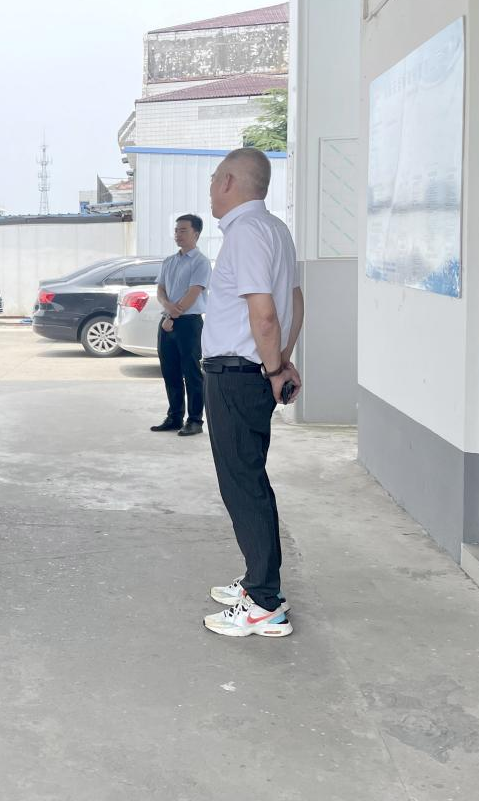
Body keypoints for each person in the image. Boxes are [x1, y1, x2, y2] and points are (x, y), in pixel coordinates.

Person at [200, 147, 303, 639]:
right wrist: (280, 362)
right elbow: (296, 302)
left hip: (236, 376)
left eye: (214, 179)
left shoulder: (245, 233)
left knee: (242, 484)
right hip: (252, 372)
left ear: (229, 182)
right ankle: (257, 582)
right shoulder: (275, 229)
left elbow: (264, 313)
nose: (210, 188)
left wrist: (275, 365)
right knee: (249, 478)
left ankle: (264, 602)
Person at [151, 214, 211, 438]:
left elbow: (193, 293)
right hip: (167, 321)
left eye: (183, 230)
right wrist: (167, 309)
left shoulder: (200, 262)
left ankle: (195, 420)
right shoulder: (169, 261)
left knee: (192, 373)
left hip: (188, 323)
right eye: (176, 230)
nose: (178, 234)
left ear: (196, 233)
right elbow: (160, 290)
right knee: (170, 372)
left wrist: (171, 316)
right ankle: (174, 416)